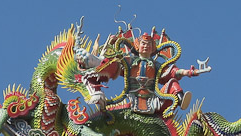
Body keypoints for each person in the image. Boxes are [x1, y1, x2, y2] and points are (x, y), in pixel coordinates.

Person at [78, 31, 211, 115]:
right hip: (132, 98)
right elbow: (115, 64)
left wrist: (190, 72)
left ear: (153, 48)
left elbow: (171, 72)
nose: (146, 46)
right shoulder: (129, 61)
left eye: (149, 44)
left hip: (153, 99)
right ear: (137, 46)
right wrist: (111, 47)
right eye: (143, 44)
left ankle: (180, 99)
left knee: (172, 83)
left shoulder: (157, 65)